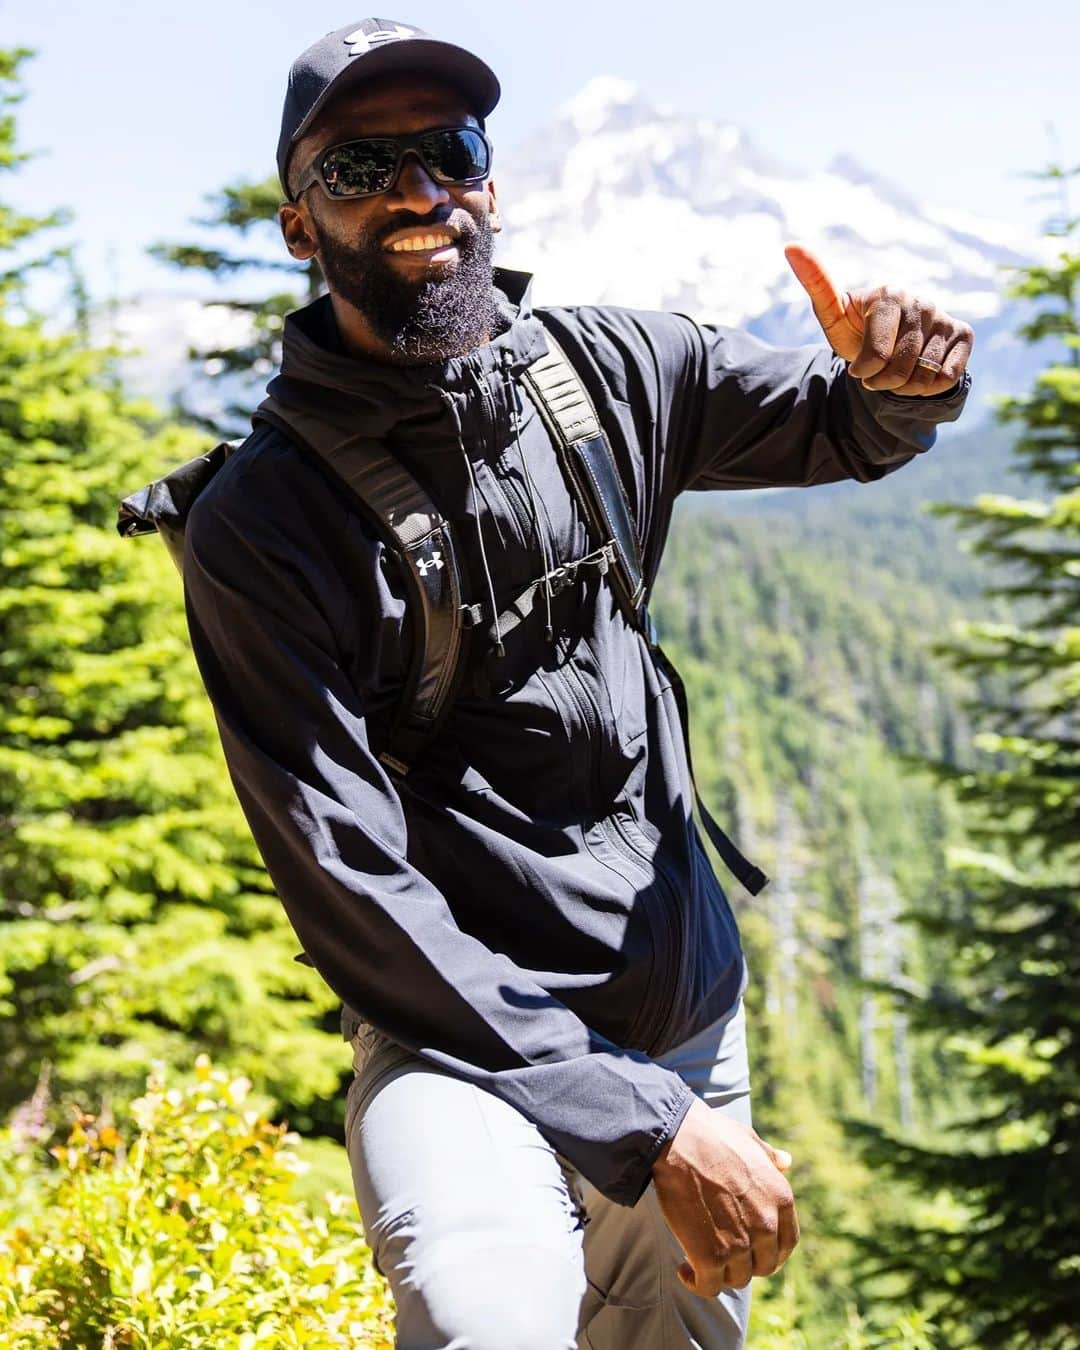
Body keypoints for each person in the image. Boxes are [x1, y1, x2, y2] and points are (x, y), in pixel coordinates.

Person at [180, 17, 974, 1349]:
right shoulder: (265, 524)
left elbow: (838, 419)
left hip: (684, 1021)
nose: (417, 192)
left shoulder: (607, 372)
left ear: (488, 180)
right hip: (462, 1050)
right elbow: (352, 890)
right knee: (486, 1318)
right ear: (298, 226)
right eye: (359, 170)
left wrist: (901, 383)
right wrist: (649, 1119)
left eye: (449, 149)